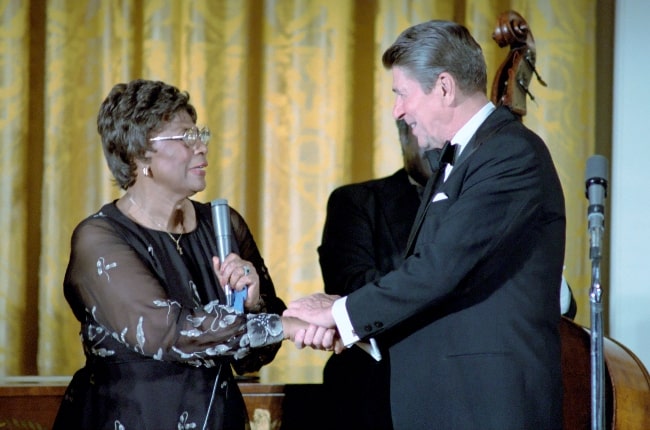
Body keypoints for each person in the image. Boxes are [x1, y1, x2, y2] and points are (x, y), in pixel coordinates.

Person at [285, 20, 566, 430]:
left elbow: (439, 270)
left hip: (486, 408)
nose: (398, 110)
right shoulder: (459, 160)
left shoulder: (509, 154)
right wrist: (355, 329)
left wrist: (341, 313)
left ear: (445, 87)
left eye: (401, 93)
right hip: (451, 403)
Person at [53, 79, 335, 429]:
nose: (201, 146)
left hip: (217, 418)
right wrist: (287, 325)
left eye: (200, 134)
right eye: (185, 137)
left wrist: (254, 303)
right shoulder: (98, 238)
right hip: (130, 418)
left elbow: (255, 359)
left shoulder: (225, 225)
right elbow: (170, 333)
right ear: (140, 153)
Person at [317, 119, 431, 430]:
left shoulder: (481, 207)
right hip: (377, 394)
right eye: (424, 130)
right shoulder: (356, 201)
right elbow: (354, 290)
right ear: (403, 134)